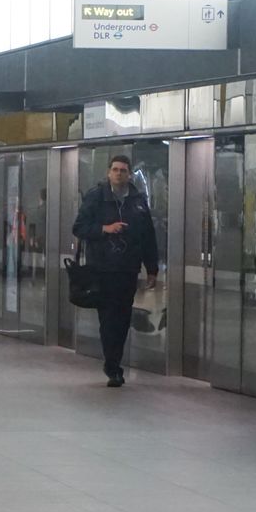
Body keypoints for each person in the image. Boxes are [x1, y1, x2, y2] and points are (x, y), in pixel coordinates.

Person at [71, 154, 159, 388]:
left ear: (129, 174)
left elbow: (148, 237)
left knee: (122, 318)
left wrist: (152, 269)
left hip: (127, 270)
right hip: (102, 269)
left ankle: (114, 360)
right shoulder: (96, 197)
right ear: (109, 172)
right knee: (108, 318)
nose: (119, 173)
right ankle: (113, 366)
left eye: (123, 170)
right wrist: (105, 229)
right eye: (115, 170)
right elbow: (79, 227)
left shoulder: (138, 202)